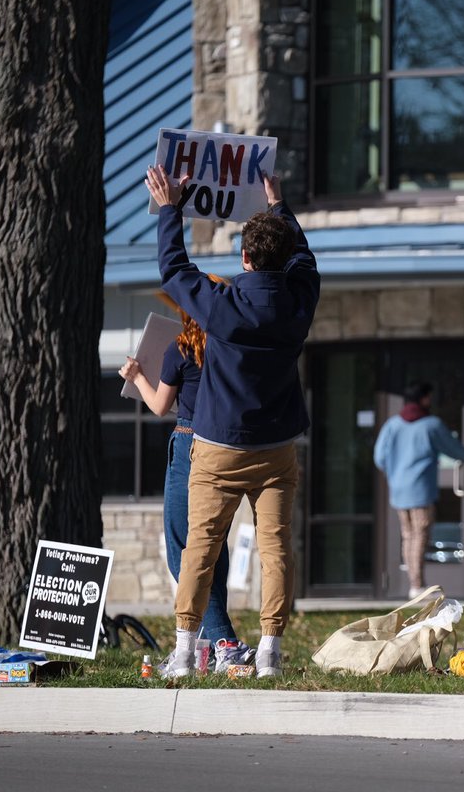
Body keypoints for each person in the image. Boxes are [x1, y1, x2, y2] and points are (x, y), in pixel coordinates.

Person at [145, 164, 319, 679]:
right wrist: (279, 204)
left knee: (199, 548)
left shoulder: (222, 307)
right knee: (276, 549)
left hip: (218, 448)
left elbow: (174, 269)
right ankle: (270, 652)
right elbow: (304, 258)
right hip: (276, 449)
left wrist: (171, 208)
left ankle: (184, 653)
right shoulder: (299, 301)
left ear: (244, 258)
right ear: (284, 259)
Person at [117, 282, 256, 673]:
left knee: (183, 549)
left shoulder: (180, 349)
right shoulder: (234, 348)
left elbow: (159, 405)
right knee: (214, 548)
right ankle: (206, 650)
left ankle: (225, 642)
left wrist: (136, 375)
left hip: (190, 445)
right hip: (226, 448)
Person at [373, 381, 464, 597]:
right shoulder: (431, 425)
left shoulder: (392, 425)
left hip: (399, 491)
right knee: (420, 535)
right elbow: (452, 448)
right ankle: (417, 585)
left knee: (408, 535)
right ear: (424, 398)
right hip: (420, 490)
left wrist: (396, 473)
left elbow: (379, 457)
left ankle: (413, 582)